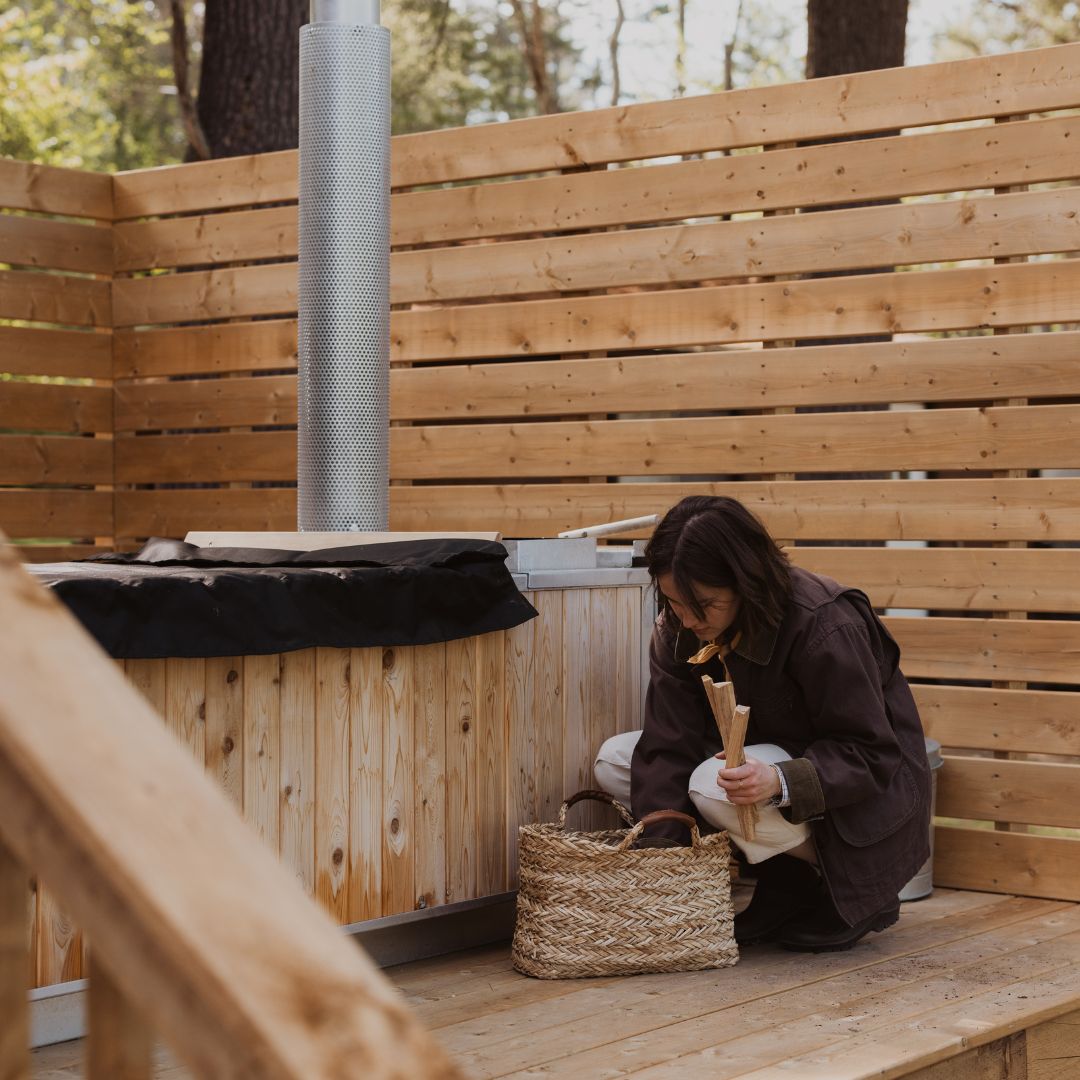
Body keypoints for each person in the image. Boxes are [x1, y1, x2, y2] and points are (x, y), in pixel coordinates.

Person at [593, 496, 932, 952]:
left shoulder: (824, 623)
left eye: (705, 604)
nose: (688, 620)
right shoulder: (679, 626)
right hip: (765, 765)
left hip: (865, 805)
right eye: (674, 602)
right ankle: (784, 884)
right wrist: (662, 867)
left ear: (746, 582)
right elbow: (666, 741)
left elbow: (872, 753)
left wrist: (779, 780)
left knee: (711, 782)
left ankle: (847, 889)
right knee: (615, 760)